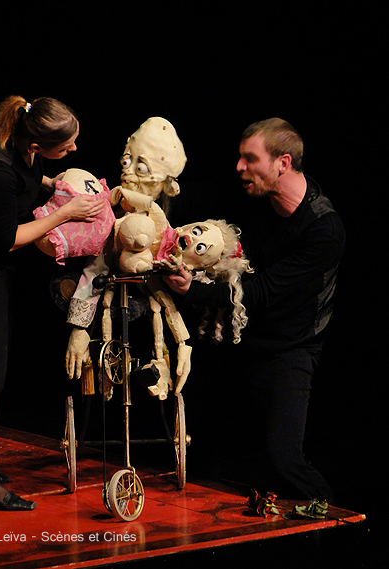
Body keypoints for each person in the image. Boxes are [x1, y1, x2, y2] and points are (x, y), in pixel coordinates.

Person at [164, 118, 346, 503]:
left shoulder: (323, 228)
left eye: (250, 158)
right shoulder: (253, 191)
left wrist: (193, 290)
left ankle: (339, 523)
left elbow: (261, 292)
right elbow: (194, 195)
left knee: (283, 459)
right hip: (241, 336)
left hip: (290, 348)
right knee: (210, 447)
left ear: (283, 163)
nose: (239, 167)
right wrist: (144, 200)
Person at [0, 95, 105, 511]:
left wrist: (58, 184)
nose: (74, 149)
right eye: (67, 145)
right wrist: (65, 213)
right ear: (38, 144)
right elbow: (9, 239)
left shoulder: (26, 154)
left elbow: (31, 178)